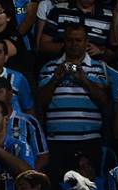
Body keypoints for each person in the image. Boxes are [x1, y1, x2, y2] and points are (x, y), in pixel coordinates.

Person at [37, 23, 110, 181]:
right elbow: (41, 102)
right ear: (64, 41)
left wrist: (84, 80)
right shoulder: (49, 67)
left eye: (79, 40)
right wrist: (55, 79)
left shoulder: (99, 68)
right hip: (57, 142)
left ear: (86, 42)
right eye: (70, 40)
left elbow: (105, 102)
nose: (74, 44)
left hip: (89, 141)